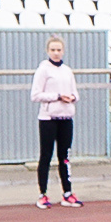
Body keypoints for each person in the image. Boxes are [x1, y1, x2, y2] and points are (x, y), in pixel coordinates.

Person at [31, 35, 81, 209]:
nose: (56, 53)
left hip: (66, 117)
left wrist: (71, 98)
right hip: (48, 118)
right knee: (46, 155)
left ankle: (67, 192)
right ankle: (42, 194)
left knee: (64, 157)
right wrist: (57, 97)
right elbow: (35, 95)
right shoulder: (43, 70)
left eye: (59, 50)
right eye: (53, 50)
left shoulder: (67, 70)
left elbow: (76, 93)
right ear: (48, 51)